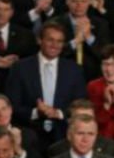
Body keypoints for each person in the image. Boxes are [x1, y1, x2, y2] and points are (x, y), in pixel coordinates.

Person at [6, 22, 87, 150]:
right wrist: (36, 112)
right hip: (29, 136)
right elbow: (12, 105)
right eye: (50, 40)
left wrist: (58, 113)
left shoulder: (74, 70)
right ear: (39, 40)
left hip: (64, 136)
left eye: (59, 41)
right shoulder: (20, 68)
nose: (55, 45)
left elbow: (80, 105)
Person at [51, 0, 110, 82]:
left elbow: (105, 55)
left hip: (93, 78)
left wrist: (89, 37)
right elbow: (52, 52)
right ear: (67, 1)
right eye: (74, 1)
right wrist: (76, 41)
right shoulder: (56, 24)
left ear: (90, 1)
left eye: (83, 1)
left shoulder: (101, 24)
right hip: (63, 76)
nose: (79, 5)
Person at [46, 99, 114, 158]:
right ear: (69, 121)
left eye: (89, 118)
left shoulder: (110, 148)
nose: (85, 123)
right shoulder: (57, 150)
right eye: (80, 118)